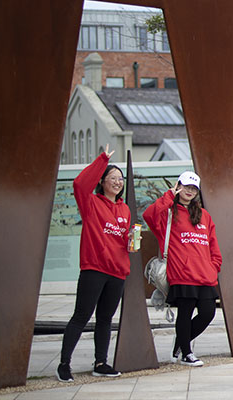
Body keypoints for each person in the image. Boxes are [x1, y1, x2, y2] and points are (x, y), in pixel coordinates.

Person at [56, 144, 137, 383]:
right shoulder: (90, 203)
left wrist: (131, 241)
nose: (117, 182)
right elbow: (79, 184)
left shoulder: (124, 209)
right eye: (112, 178)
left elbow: (124, 242)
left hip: (117, 272)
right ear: (102, 181)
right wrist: (102, 160)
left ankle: (101, 363)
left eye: (120, 179)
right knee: (81, 315)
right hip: (94, 269)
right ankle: (64, 364)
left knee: (105, 319)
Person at [143, 171, 222, 367]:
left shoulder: (204, 215)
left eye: (194, 188)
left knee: (207, 313)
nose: (190, 191)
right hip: (182, 274)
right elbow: (149, 215)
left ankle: (180, 342)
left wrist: (214, 267)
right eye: (186, 186)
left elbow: (213, 245)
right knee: (185, 314)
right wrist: (169, 196)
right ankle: (187, 353)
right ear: (178, 186)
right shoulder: (168, 213)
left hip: (205, 275)